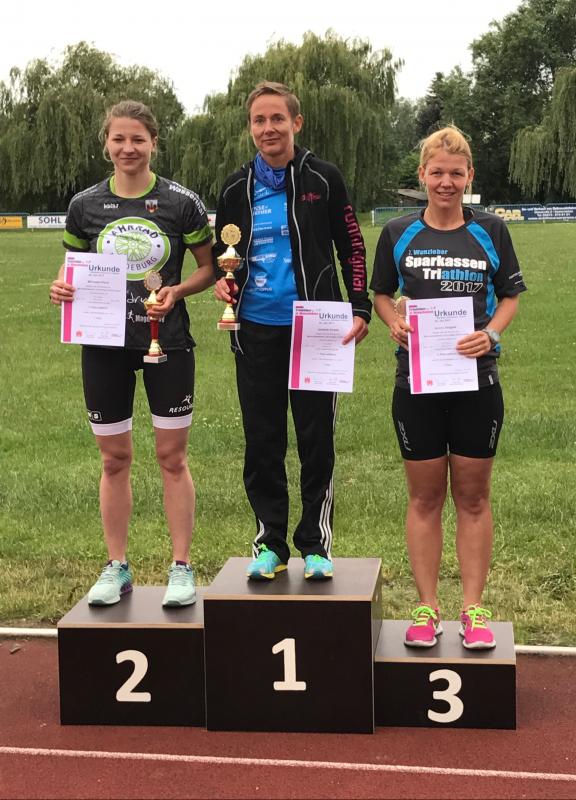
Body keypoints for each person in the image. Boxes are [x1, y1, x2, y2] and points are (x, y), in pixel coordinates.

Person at [50, 100, 214, 607]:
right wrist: (61, 287)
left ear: (153, 144)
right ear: (106, 143)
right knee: (114, 458)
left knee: (172, 457)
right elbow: (72, 270)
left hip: (168, 342)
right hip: (104, 346)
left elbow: (208, 268)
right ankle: (117, 566)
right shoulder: (84, 206)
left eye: (137, 139)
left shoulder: (181, 203)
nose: (128, 148)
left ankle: (181, 567)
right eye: (119, 139)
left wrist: (177, 291)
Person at [371, 126, 526, 648]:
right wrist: (393, 321)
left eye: (455, 174)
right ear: (422, 174)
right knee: (425, 497)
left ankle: (474, 610)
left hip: (476, 382)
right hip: (416, 383)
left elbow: (509, 296)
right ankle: (427, 607)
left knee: (474, 497)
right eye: (436, 172)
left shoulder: (490, 231)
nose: (445, 182)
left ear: (469, 176)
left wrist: (492, 334)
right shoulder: (398, 232)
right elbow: (381, 294)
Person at [213, 81, 371, 581]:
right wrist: (223, 284)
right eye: (259, 120)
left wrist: (360, 306)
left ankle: (316, 544)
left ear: (295, 123)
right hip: (255, 329)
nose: (268, 128)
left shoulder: (323, 177)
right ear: (250, 128)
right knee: (262, 441)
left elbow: (351, 246)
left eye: (277, 118)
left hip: (318, 329)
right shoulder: (235, 188)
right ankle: (271, 543)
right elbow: (223, 257)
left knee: (315, 439)